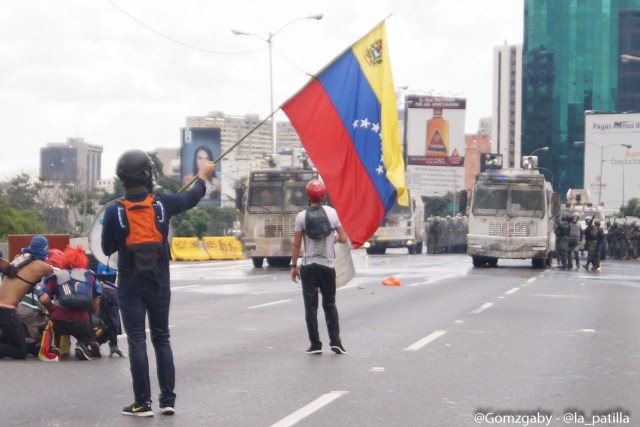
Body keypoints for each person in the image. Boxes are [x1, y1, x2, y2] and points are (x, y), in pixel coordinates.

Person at [101, 149, 215, 417]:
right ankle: (167, 400)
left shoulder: (114, 210)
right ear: (148, 174)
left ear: (122, 179)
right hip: (160, 282)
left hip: (130, 283)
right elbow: (191, 198)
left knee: (137, 340)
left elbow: (106, 248)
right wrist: (202, 177)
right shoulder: (162, 202)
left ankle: (142, 403)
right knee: (162, 338)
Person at [290, 179, 349, 355]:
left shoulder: (301, 216)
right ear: (324, 195)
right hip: (327, 266)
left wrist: (294, 266)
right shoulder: (332, 214)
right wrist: (334, 238)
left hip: (308, 266)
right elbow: (344, 238)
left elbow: (296, 244)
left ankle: (315, 344)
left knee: (310, 306)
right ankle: (336, 342)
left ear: (308, 196)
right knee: (330, 303)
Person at [36, 245, 101, 361]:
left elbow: (44, 299)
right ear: (83, 260)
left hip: (59, 322)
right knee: (100, 325)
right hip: (82, 323)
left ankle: (54, 345)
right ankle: (83, 344)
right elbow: (94, 305)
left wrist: (52, 309)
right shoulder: (90, 277)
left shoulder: (56, 276)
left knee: (46, 326)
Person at [0, 236, 54, 359]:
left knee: (11, 340)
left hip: (3, 308)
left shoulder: (18, 260)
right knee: (20, 352)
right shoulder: (42, 266)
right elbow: (55, 276)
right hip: (6, 311)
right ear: (44, 250)